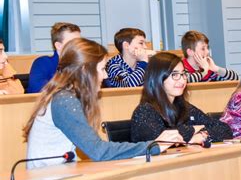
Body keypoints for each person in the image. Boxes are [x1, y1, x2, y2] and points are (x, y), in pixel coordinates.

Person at [23, 38, 182, 169]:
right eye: (102, 69)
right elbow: (98, 151)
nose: (106, 76)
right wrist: (153, 145)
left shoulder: (65, 96)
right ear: (86, 70)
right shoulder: (64, 100)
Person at [131, 52, 233, 144]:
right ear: (157, 78)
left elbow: (225, 129)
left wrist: (201, 136)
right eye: (175, 75)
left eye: (183, 74)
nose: (182, 80)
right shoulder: (144, 111)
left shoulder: (184, 107)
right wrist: (194, 129)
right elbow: (164, 140)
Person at [27, 22, 81, 93]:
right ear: (58, 46)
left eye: (80, 42)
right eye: (73, 42)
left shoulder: (84, 63)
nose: (79, 46)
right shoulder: (43, 63)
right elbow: (37, 88)